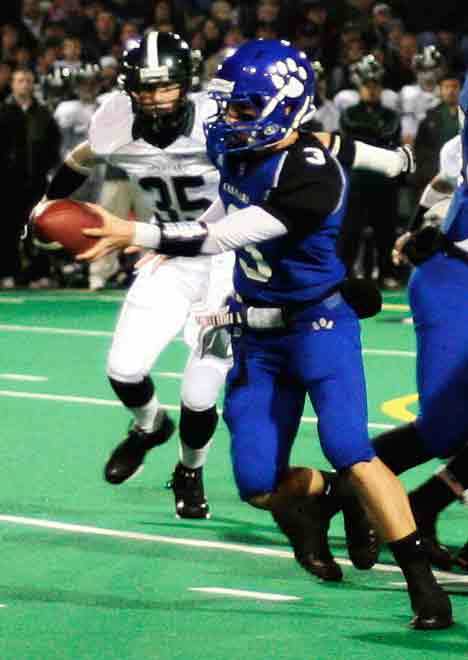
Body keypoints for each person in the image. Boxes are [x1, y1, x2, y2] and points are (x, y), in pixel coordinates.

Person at [76, 39, 452, 631]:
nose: (228, 120)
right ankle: (335, 495)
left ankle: (420, 583)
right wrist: (164, 238)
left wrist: (135, 232)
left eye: (243, 109)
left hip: (318, 326)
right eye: (227, 107)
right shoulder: (241, 155)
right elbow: (214, 221)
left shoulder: (308, 172)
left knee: (350, 448)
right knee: (256, 485)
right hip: (256, 333)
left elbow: (227, 237)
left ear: (284, 105)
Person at [32, 31, 234, 519]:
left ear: (187, 83)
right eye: (146, 88)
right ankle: (149, 427)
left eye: (167, 87)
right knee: (123, 368)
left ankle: (190, 469)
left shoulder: (219, 117)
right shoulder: (114, 119)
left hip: (228, 255)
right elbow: (82, 158)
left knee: (200, 387)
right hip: (166, 251)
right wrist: (45, 205)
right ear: (129, 89)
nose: (158, 98)